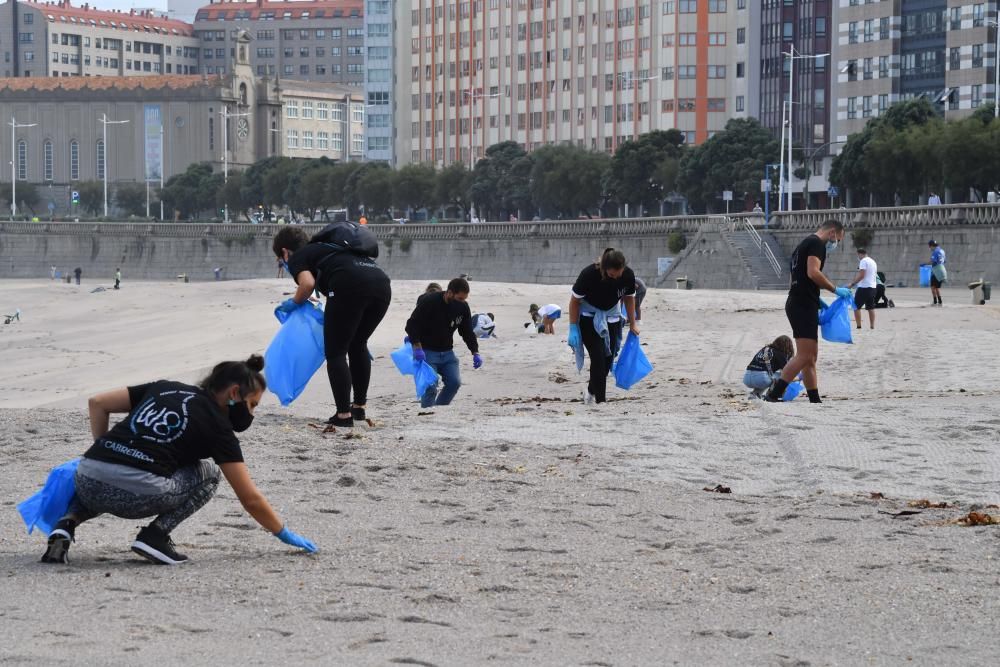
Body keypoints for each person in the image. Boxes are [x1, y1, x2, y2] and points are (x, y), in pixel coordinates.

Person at [40, 355, 317, 566]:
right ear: (234, 394)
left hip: (87, 477)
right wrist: (283, 533)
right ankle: (155, 537)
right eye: (252, 404)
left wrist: (101, 449)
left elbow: (98, 402)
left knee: (103, 475)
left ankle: (66, 525)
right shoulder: (220, 429)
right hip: (139, 494)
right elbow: (250, 498)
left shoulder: (164, 387)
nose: (252, 414)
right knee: (209, 474)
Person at [273, 224, 391, 427]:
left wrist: (294, 302)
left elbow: (307, 284)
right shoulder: (331, 249)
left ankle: (343, 416)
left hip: (349, 284)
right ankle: (359, 408)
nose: (282, 262)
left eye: (280, 259)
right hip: (381, 285)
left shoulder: (299, 256)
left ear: (285, 251)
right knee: (358, 344)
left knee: (336, 352)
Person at [765, 219, 850, 404]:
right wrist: (835, 290)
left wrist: (816, 299)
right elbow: (813, 273)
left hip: (799, 301)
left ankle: (814, 399)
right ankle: (774, 393)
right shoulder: (817, 243)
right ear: (832, 233)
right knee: (805, 355)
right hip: (802, 304)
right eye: (838, 240)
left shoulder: (801, 246)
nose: (836, 244)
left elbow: (796, 279)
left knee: (810, 357)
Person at [567, 248, 639, 404]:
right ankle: (601, 402)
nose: (616, 278)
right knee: (598, 358)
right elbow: (574, 301)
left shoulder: (627, 275)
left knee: (607, 362)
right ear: (604, 269)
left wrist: (633, 323)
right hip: (588, 318)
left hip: (612, 318)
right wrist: (573, 327)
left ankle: (591, 392)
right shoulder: (589, 275)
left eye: (619, 274)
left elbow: (629, 298)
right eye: (612, 275)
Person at [405, 277, 482, 408]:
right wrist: (417, 347)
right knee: (430, 386)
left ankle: (438, 409)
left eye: (465, 299)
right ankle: (427, 413)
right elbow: (412, 325)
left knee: (454, 383)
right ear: (449, 293)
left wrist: (475, 351)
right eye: (460, 299)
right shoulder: (429, 301)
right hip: (427, 352)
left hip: (447, 352)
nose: (462, 302)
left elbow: (467, 331)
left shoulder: (462, 307)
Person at [848, 248, 877, 330]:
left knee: (856, 307)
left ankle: (859, 326)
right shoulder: (873, 261)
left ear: (860, 254)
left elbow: (862, 275)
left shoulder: (863, 261)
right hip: (873, 287)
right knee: (871, 307)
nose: (858, 257)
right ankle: (872, 326)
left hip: (864, 287)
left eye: (858, 255)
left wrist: (852, 284)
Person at [928, 239, 946, 306]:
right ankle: (940, 301)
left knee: (932, 287)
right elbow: (944, 261)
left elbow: (933, 261)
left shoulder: (935, 252)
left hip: (935, 271)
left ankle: (935, 301)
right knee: (937, 287)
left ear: (932, 246)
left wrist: (925, 264)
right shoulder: (942, 251)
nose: (929, 248)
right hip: (942, 270)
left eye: (929, 247)